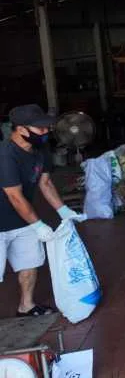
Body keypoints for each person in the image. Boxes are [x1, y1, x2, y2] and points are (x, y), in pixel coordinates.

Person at [0, 104, 82, 317]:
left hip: (22, 218)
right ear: (20, 129)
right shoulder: (5, 154)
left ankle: (26, 306)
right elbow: (14, 196)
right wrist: (38, 225)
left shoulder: (41, 150)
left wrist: (64, 211)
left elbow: (45, 183)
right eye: (40, 128)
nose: (45, 132)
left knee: (29, 263)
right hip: (7, 217)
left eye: (47, 127)